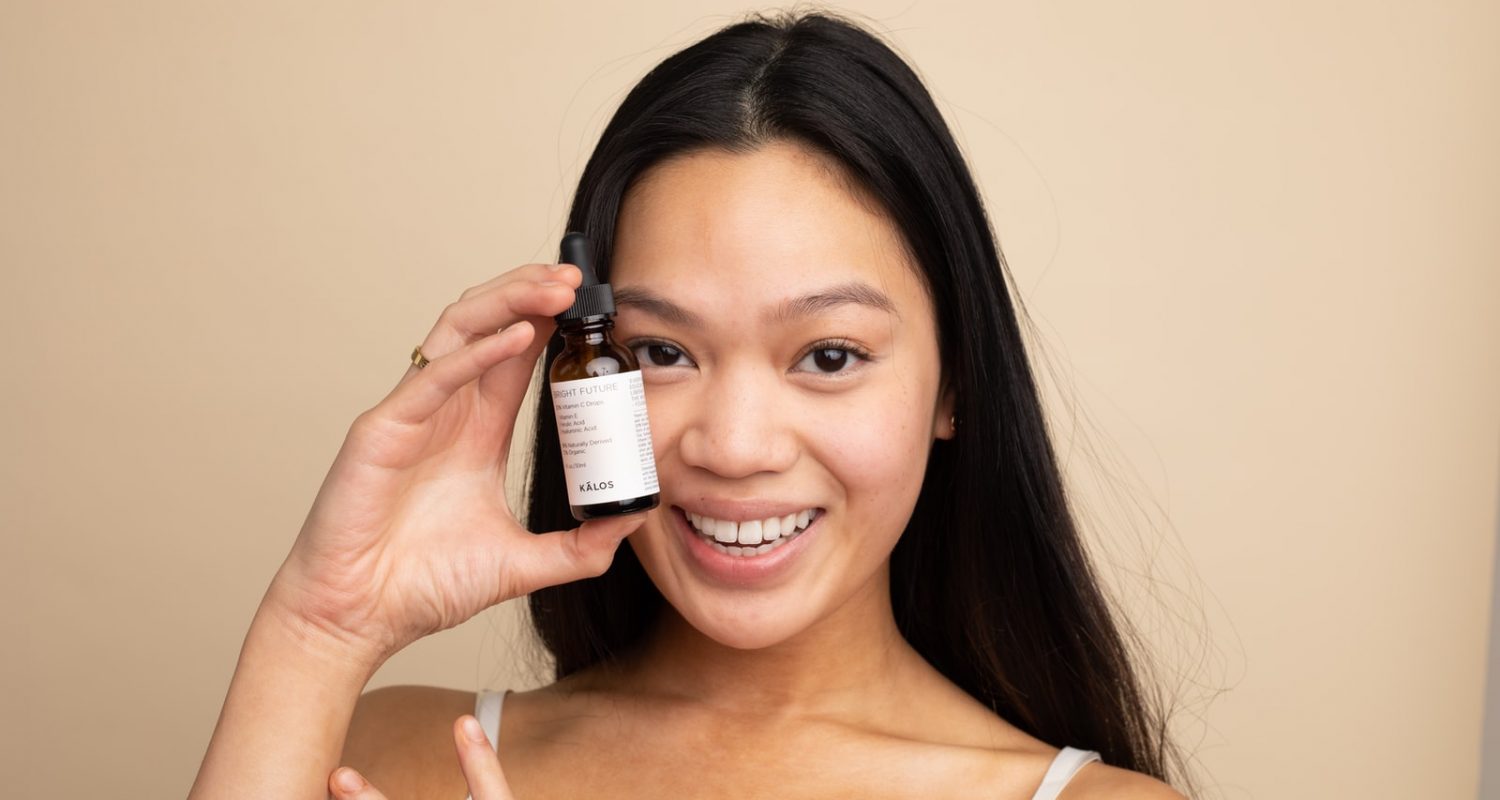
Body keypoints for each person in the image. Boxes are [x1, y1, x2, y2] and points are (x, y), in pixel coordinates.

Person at [190, 11, 1195, 799]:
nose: (733, 443)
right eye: (663, 350)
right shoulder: (397, 754)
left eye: (830, 354)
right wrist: (321, 625)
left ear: (956, 385)